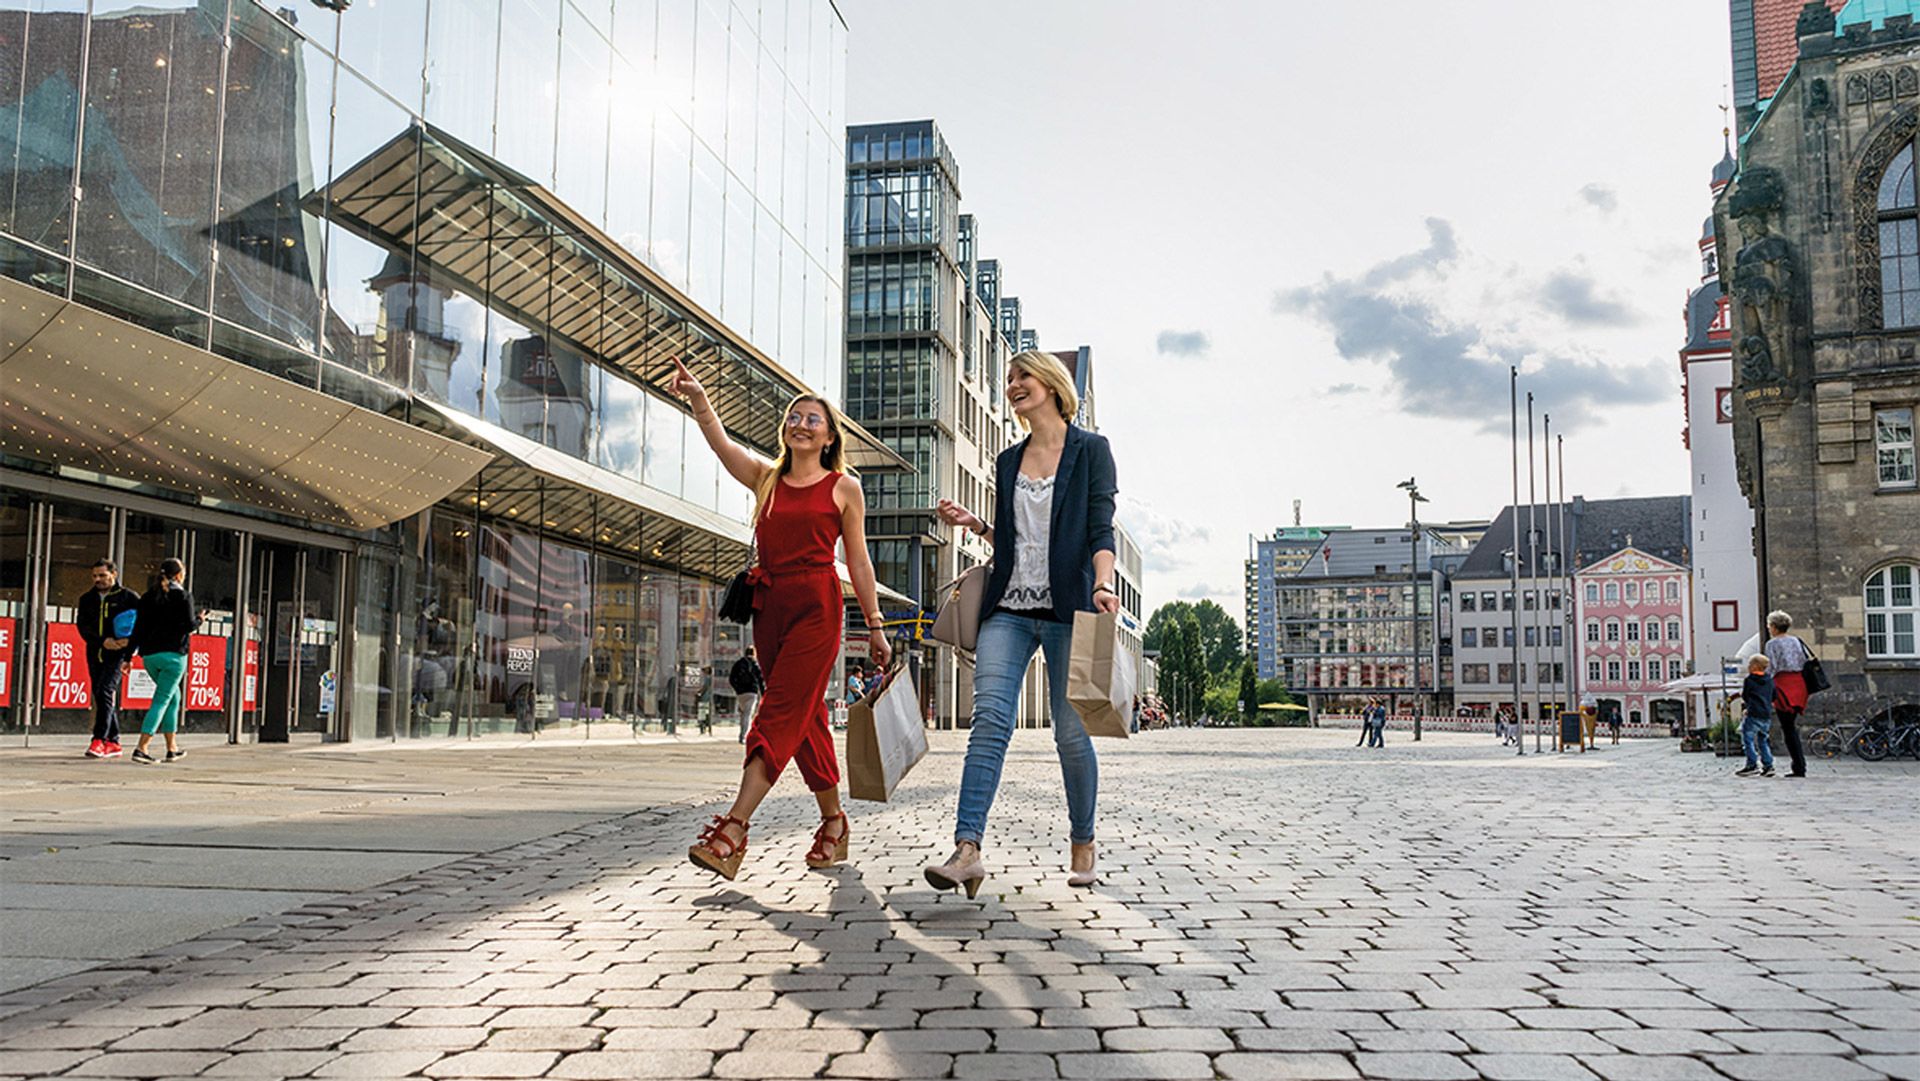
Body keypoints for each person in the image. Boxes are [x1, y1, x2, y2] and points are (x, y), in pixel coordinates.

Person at [672, 359, 890, 880]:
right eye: (794, 416)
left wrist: (875, 624)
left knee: (778, 711)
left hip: (817, 604)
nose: (800, 423)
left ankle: (734, 829)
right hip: (769, 608)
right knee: (807, 718)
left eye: (812, 419)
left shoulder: (843, 488)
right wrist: (701, 401)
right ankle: (834, 823)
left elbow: (857, 560)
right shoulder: (765, 479)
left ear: (829, 435)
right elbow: (723, 447)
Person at [927, 349, 1119, 894]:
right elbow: (1016, 544)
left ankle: (1083, 840)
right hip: (1008, 610)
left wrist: (1103, 585)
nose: (1012, 385)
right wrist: (979, 526)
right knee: (988, 721)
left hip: (1068, 610)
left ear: (1053, 384)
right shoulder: (1008, 460)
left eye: (1022, 375)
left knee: (1070, 735)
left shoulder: (1091, 452)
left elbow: (1100, 530)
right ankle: (967, 850)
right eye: (1008, 378)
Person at [130, 558, 199, 765]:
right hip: (174, 657)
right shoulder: (184, 597)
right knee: (161, 700)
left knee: (173, 698)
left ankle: (172, 748)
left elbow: (138, 628)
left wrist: (127, 657)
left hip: (150, 656)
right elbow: (189, 626)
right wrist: (201, 619)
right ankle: (142, 747)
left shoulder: (148, 597)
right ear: (179, 575)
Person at [76, 559, 140, 759]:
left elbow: (141, 625)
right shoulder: (87, 599)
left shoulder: (129, 597)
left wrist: (129, 648)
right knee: (100, 693)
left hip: (118, 654)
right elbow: (83, 626)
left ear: (114, 574)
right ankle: (114, 741)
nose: (98, 579)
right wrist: (103, 641)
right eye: (95, 576)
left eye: (102, 575)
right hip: (96, 651)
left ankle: (99, 739)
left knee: (105, 690)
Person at [1764, 610, 1810, 778]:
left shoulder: (1772, 644)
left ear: (1775, 627)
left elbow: (1771, 667)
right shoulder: (1796, 641)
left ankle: (1799, 766)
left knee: (1788, 728)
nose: (1769, 629)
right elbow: (1803, 661)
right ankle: (1799, 764)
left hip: (1783, 683)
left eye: (1770, 626)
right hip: (1799, 684)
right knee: (1790, 726)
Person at [1737, 654, 1777, 777]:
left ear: (1755, 666)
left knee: (1748, 740)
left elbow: (1746, 696)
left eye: (1750, 664)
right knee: (1763, 740)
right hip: (1766, 715)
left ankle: (1752, 765)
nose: (1748, 667)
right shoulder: (1770, 680)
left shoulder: (1750, 680)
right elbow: (1774, 695)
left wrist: (1747, 707)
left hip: (1753, 713)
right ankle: (1768, 765)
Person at [729, 646, 765, 745]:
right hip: (752, 692)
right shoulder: (754, 664)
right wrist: (763, 694)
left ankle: (742, 733)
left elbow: (732, 678)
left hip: (741, 693)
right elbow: (760, 679)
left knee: (743, 714)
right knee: (748, 715)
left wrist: (737, 689)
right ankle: (744, 736)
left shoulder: (738, 663)